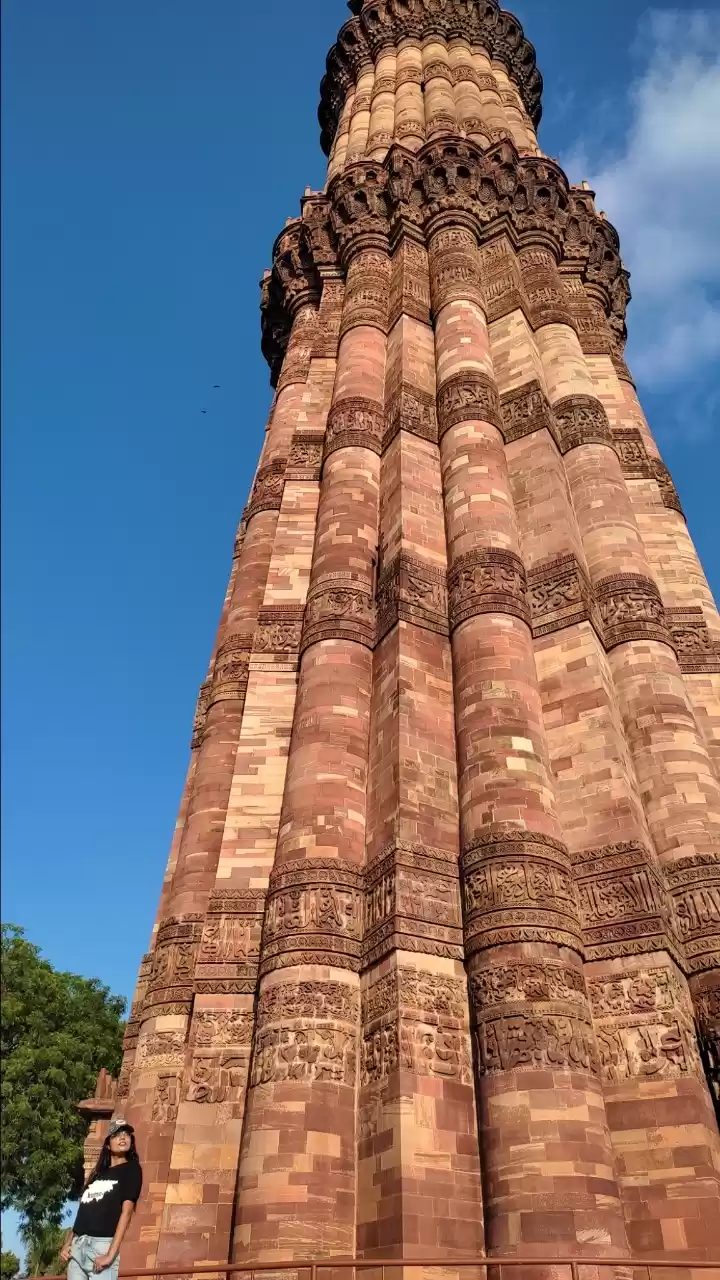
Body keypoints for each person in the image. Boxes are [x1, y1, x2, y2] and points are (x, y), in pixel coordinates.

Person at [61, 1118, 142, 1279]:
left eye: (126, 1134)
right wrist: (67, 1243)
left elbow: (126, 1213)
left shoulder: (132, 1169)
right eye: (117, 1135)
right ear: (107, 1144)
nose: (123, 1137)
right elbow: (83, 1212)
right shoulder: (97, 1174)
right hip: (78, 1247)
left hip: (102, 1247)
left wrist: (110, 1254)